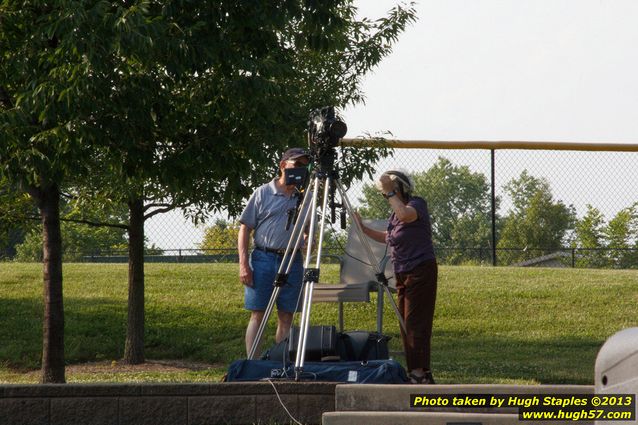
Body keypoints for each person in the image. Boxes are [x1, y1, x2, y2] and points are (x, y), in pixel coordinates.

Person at [353, 169, 438, 384]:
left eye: (387, 192)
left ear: (398, 188)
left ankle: (419, 373)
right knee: (405, 323)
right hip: (402, 272)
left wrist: (390, 193)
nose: (385, 196)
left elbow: (405, 215)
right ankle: (417, 371)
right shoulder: (395, 214)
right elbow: (387, 236)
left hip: (420, 270)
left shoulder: (417, 204)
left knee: (415, 322)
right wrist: (363, 228)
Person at [238, 147, 311, 357]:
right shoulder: (262, 192)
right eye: (296, 164)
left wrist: (307, 239)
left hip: (292, 261)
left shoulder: (304, 198)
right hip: (263, 258)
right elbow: (245, 228)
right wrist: (243, 264)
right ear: (283, 165)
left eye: (304, 166)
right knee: (258, 314)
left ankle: (282, 364)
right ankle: (253, 363)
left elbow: (307, 231)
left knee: (286, 316)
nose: (301, 169)